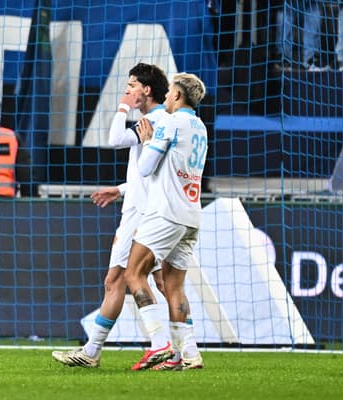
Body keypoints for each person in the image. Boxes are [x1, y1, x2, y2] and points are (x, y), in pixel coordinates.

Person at [51, 63, 171, 368]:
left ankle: (158, 346)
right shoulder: (155, 121)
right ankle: (181, 349)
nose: (127, 89)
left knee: (122, 278)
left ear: (146, 89)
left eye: (132, 85)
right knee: (154, 279)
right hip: (144, 208)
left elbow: (115, 139)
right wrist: (120, 189)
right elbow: (147, 173)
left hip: (140, 215)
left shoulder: (154, 120)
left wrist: (122, 107)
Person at [123, 73, 208, 371]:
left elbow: (146, 168)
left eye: (171, 91)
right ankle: (188, 355)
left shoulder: (171, 122)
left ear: (177, 96)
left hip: (166, 213)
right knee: (175, 287)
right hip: (191, 215)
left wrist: (147, 141)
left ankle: (159, 343)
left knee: (133, 274)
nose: (168, 96)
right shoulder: (200, 127)